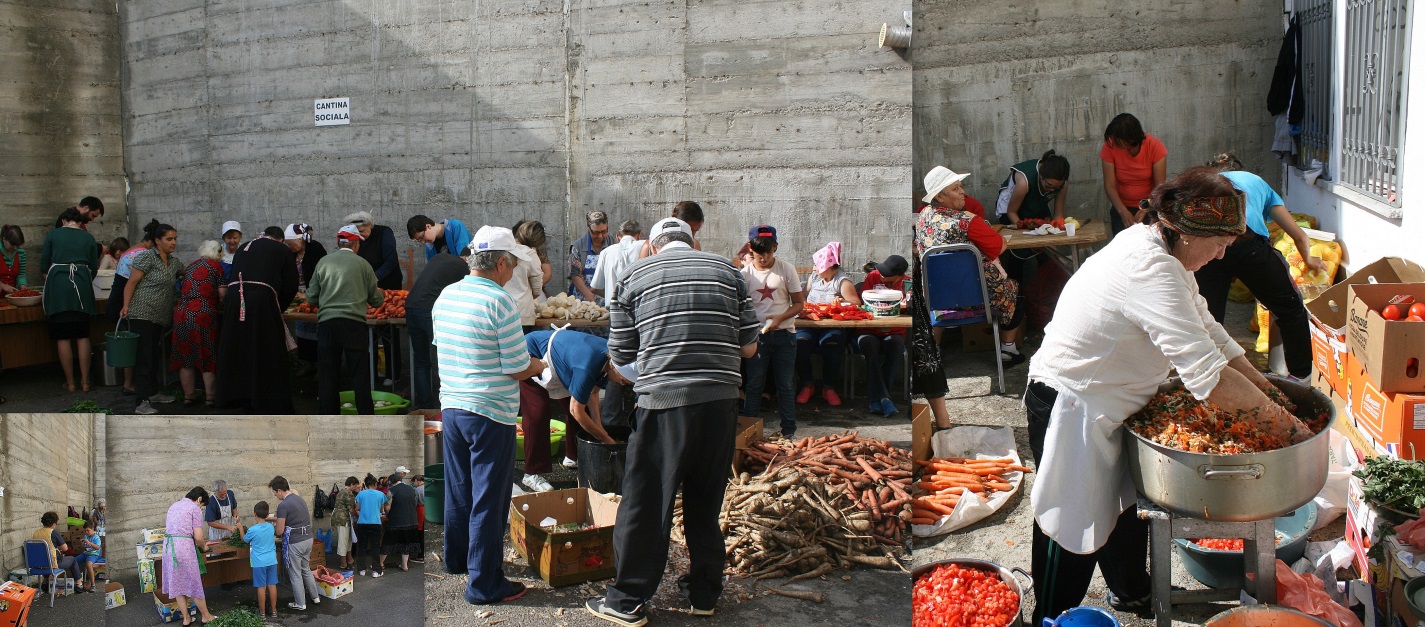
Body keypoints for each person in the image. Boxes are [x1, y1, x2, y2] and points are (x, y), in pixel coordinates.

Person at [1025, 168, 1310, 623]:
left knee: (1122, 509)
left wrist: (1274, 395)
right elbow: (1208, 377)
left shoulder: (1166, 254)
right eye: (1218, 244)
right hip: (1072, 404)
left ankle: (1132, 591)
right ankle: (1052, 615)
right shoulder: (1149, 267)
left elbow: (1211, 333)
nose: (1221, 256)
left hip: (1116, 400)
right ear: (1183, 232)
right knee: (1070, 523)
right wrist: (1293, 431)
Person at [586, 217, 759, 625]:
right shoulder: (728, 271)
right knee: (705, 501)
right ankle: (703, 594)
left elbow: (623, 358)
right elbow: (749, 348)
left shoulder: (633, 275)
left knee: (646, 503)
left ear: (653, 245)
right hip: (720, 403)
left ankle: (626, 599)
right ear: (692, 240)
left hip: (663, 405)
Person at [434, 225, 544, 605]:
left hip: (452, 406)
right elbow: (516, 366)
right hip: (489, 412)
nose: (513, 272)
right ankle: (484, 584)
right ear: (500, 263)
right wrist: (541, 363)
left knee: (460, 489)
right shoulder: (499, 302)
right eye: (512, 264)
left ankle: (458, 560)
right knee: (489, 499)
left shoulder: (447, 295)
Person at [1195, 153, 1324, 381]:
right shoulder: (1256, 182)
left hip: (1208, 241)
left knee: (1207, 316)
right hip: (1247, 241)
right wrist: (1310, 260)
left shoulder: (1208, 184)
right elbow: (1299, 235)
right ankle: (1301, 376)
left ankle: (1210, 378)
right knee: (1290, 308)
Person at [518, 328, 618, 492]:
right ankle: (531, 473)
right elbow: (575, 410)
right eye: (624, 378)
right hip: (534, 351)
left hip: (561, 362)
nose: (625, 382)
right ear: (615, 367)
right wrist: (606, 440)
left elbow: (592, 394)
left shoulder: (607, 358)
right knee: (538, 411)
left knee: (582, 407)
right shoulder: (587, 365)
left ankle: (573, 456)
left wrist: (599, 430)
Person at [215, 224, 299, 414]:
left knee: (239, 348)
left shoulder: (243, 249)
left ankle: (236, 397)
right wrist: (278, 307)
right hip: (262, 301)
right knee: (266, 349)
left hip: (235, 300)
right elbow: (291, 284)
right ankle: (268, 401)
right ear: (280, 239)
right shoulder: (282, 249)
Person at [308, 225, 385, 414]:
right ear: (356, 244)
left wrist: (327, 302)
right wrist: (380, 295)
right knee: (359, 373)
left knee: (328, 373)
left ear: (338, 242)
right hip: (354, 325)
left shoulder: (323, 262)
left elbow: (311, 297)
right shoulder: (363, 265)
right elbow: (375, 300)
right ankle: (366, 417)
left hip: (327, 324)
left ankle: (327, 417)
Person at [740, 224, 804, 437]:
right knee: (754, 385)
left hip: (785, 334)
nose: (764, 257)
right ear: (750, 248)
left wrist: (780, 318)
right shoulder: (744, 275)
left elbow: (798, 304)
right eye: (759, 251)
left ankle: (789, 432)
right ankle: (749, 433)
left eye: (768, 251)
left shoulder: (787, 269)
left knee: (785, 385)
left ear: (775, 247)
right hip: (756, 336)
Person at [121, 220, 182, 414]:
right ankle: (141, 402)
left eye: (175, 239)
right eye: (169, 239)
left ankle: (153, 392)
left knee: (154, 356)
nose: (173, 243)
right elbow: (131, 283)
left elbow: (187, 272)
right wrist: (125, 306)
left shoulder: (173, 262)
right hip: (142, 313)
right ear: (157, 240)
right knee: (144, 358)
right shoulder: (146, 257)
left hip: (160, 316)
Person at [42, 208, 100, 393]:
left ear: (64, 221)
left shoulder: (53, 235)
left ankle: (71, 383)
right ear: (79, 222)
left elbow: (44, 265)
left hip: (58, 286)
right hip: (82, 285)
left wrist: (53, 280)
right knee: (83, 335)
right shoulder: (88, 238)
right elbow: (94, 267)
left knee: (63, 337)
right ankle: (85, 382)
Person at [796, 241, 859, 407]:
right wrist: (803, 306)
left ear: (829, 266)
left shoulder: (842, 282)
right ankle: (807, 384)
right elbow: (802, 296)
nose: (815, 268)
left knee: (832, 342)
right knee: (800, 342)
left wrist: (842, 302)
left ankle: (828, 387)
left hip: (833, 325)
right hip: (810, 322)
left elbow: (856, 303)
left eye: (818, 265)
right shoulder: (814, 278)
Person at [406, 252, 470, 410]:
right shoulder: (463, 267)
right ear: (468, 258)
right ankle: (446, 405)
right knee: (443, 359)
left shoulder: (439, 258)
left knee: (421, 361)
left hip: (410, 307)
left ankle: (425, 406)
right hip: (429, 310)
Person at [171, 241, 226, 406]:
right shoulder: (216, 267)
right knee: (206, 353)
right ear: (218, 254)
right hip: (202, 314)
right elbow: (223, 293)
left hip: (181, 313)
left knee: (185, 355)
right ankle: (210, 397)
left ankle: (189, 396)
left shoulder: (190, 266)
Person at [857, 254, 909, 416]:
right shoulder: (873, 277)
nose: (881, 275)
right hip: (869, 329)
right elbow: (863, 302)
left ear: (898, 276)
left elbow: (911, 307)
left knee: (896, 346)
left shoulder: (907, 284)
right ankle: (885, 398)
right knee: (869, 346)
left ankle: (876, 399)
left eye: (886, 274)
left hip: (894, 330)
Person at [1100, 113, 1168, 235]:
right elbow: (1109, 185)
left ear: (1130, 139)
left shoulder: (1155, 146)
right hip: (1121, 205)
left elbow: (1160, 187)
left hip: (1150, 205)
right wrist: (1123, 212)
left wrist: (1145, 208)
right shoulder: (1110, 146)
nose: (1113, 142)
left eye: (1117, 139)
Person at [162, 487, 218, 625]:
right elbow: (199, 537)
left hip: (168, 547)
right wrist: (204, 546)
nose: (201, 507)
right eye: (202, 504)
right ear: (199, 499)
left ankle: (186, 618)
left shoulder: (174, 505)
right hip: (183, 549)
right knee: (194, 583)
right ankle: (206, 616)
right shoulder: (194, 508)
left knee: (178, 584)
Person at [111, 229, 155, 395]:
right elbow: (133, 282)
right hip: (123, 300)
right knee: (129, 344)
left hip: (117, 295)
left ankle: (128, 383)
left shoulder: (133, 248)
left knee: (127, 342)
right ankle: (129, 384)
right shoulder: (143, 254)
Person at [270, 475, 322, 611]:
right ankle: (315, 597)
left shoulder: (283, 505)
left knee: (295, 573)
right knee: (306, 569)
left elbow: (280, 531)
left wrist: (273, 526)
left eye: (275, 492)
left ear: (280, 490)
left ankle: (300, 603)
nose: (275, 495)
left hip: (295, 542)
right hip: (308, 539)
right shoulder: (299, 499)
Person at [285, 223, 327, 375]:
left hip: (315, 293)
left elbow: (322, 273)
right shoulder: (290, 253)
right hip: (298, 295)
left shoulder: (316, 250)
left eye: (292, 243)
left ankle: (320, 366)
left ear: (301, 240)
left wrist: (310, 293)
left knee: (317, 331)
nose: (290, 247)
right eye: (288, 244)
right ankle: (308, 363)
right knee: (302, 331)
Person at [346, 211, 404, 290]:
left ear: (370, 225)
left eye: (361, 231)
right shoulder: (354, 238)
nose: (358, 235)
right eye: (355, 232)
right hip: (366, 282)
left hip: (387, 281)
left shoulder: (384, 232)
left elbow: (391, 260)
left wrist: (374, 277)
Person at [501, 233, 545, 331]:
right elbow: (537, 288)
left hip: (501, 313)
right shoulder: (530, 254)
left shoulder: (500, 253)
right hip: (522, 313)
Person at [567, 211, 615, 301]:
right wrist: (588, 294)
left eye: (604, 231)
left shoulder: (613, 244)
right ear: (589, 229)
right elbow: (575, 274)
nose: (600, 236)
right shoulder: (578, 246)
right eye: (596, 233)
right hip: (583, 298)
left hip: (607, 298)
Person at [243, 501, 279, 621]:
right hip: (272, 560)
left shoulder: (253, 530)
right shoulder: (271, 527)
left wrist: (239, 528)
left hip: (259, 563)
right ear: (268, 515)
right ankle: (274, 611)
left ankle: (262, 614)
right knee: (272, 585)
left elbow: (245, 540)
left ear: (254, 514)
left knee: (261, 587)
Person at [592, 220, 642, 300]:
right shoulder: (644, 246)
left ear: (617, 237)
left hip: (614, 307)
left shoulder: (606, 252)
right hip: (637, 307)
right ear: (639, 235)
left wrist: (613, 295)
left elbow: (596, 287)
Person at [637, 201, 705, 259]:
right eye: (689, 230)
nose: (692, 236)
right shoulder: (648, 247)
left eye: (695, 232)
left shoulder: (694, 245)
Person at [384, 472, 421, 572]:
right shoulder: (411, 489)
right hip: (412, 521)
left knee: (387, 542)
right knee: (406, 543)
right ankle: (405, 565)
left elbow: (387, 508)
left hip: (396, 521)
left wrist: (387, 514)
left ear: (391, 482)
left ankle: (380, 563)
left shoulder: (391, 491)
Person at [34, 512, 82, 586]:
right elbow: (65, 548)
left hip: (38, 564)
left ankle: (45, 582)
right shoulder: (53, 532)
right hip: (53, 563)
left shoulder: (36, 532)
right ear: (53, 523)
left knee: (45, 556)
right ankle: (79, 584)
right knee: (72, 560)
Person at [354, 475, 387, 577]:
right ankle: (376, 571)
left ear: (366, 484)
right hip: (375, 523)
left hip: (362, 523)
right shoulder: (381, 494)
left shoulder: (360, 494)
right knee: (375, 547)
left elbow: (357, 508)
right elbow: (382, 510)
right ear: (376, 484)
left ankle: (362, 569)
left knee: (362, 547)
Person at [408, 215, 472, 260]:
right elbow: (433, 270)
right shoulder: (429, 247)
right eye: (420, 240)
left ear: (428, 226)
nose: (423, 241)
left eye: (422, 237)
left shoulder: (455, 227)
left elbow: (464, 258)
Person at [331, 477, 360, 570]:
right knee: (343, 541)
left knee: (348, 540)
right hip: (343, 519)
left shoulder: (342, 491)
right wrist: (358, 517)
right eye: (355, 485)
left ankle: (350, 559)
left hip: (339, 518)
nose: (356, 487)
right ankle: (343, 564)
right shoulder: (348, 494)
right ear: (352, 484)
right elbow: (351, 510)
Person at [0, 225, 26, 295]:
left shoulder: (21, 253)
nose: (15, 248)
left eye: (17, 245)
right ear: (4, 239)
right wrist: (2, 285)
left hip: (11, 295)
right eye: (12, 244)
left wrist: (23, 286)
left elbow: (21, 274)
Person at [77, 520, 102, 592]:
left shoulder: (96, 537)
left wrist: (89, 543)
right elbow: (83, 547)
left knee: (88, 564)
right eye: (85, 531)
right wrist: (81, 543)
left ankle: (93, 585)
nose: (86, 532)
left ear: (93, 529)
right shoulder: (85, 536)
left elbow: (97, 547)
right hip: (85, 553)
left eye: (88, 530)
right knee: (73, 561)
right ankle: (79, 583)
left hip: (93, 555)